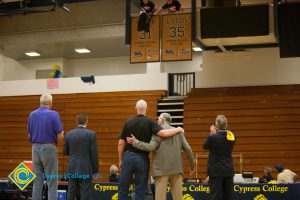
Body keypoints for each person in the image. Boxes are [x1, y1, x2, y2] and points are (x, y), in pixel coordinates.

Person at [118, 100, 184, 200]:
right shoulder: (150, 122)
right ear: (147, 109)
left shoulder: (128, 122)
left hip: (128, 157)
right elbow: (164, 134)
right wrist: (179, 129)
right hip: (142, 159)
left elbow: (121, 143)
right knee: (140, 190)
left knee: (123, 189)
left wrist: (120, 160)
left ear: (135, 108)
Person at [127, 112, 195, 200]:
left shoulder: (157, 132)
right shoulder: (179, 132)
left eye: (158, 119)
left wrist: (135, 142)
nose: (157, 121)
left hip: (161, 170)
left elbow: (150, 147)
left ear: (162, 120)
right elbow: (188, 149)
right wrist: (192, 166)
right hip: (176, 169)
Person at [27, 94, 64, 200]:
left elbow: (29, 135)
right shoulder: (54, 114)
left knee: (37, 181)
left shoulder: (32, 115)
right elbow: (60, 135)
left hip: (34, 148)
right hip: (48, 147)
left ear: (40, 102)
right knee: (52, 181)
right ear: (50, 103)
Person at [63, 113, 98, 200]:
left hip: (72, 167)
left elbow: (65, 152)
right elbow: (94, 154)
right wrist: (95, 170)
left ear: (76, 121)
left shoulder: (69, 134)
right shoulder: (91, 134)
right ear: (87, 121)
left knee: (71, 191)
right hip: (86, 168)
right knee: (85, 192)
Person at [203, 115, 236, 200]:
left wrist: (212, 133)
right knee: (229, 196)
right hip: (228, 170)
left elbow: (205, 146)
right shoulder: (232, 137)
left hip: (215, 172)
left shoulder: (212, 137)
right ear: (226, 125)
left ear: (216, 125)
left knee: (216, 196)